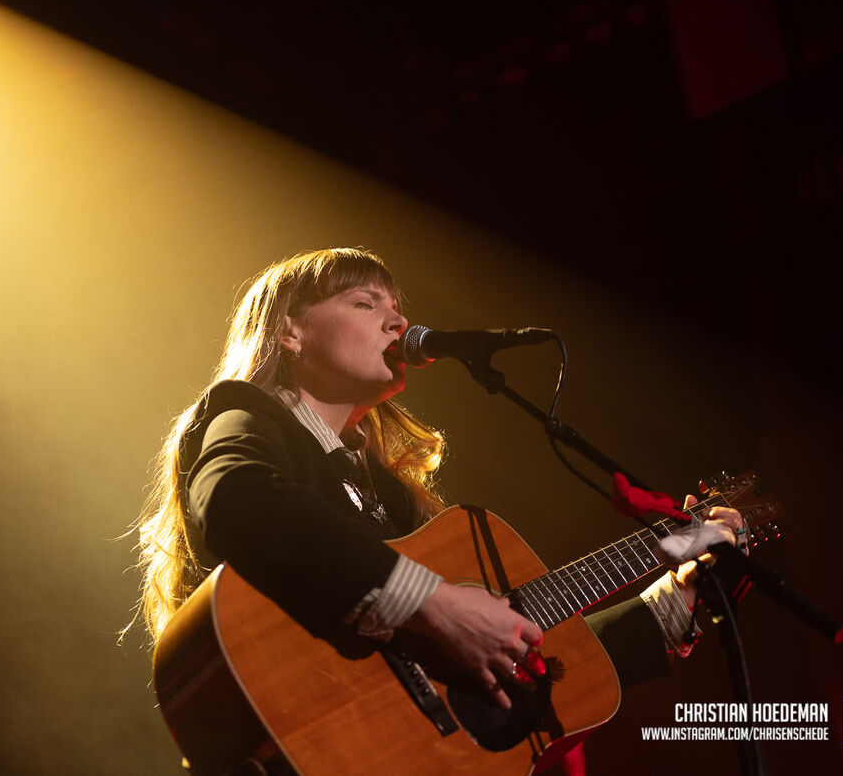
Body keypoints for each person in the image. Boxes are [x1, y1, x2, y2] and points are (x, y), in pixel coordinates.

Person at [130, 248, 741, 750]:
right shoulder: (248, 416)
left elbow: (518, 658)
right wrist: (433, 602)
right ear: (290, 331)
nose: (398, 323)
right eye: (365, 303)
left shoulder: (391, 499)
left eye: (398, 309)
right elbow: (234, 497)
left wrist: (676, 594)